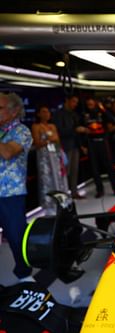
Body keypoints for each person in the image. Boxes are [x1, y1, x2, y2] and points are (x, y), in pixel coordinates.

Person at [0, 92, 34, 282]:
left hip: (10, 194)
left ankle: (24, 275)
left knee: (15, 236)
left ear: (13, 111)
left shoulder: (21, 131)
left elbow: (7, 152)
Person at [81, 97, 115, 198]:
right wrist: (83, 144)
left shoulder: (102, 113)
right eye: (88, 105)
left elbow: (113, 119)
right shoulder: (84, 115)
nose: (90, 106)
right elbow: (80, 129)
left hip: (103, 142)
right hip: (91, 143)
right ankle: (100, 190)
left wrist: (103, 109)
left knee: (109, 166)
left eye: (92, 104)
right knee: (95, 168)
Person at [31, 106, 69, 214]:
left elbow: (57, 140)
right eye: (43, 111)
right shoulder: (36, 126)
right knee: (47, 178)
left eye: (48, 111)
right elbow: (37, 143)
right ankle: (49, 204)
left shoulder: (52, 125)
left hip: (55, 155)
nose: (46, 114)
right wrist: (48, 140)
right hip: (44, 156)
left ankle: (62, 200)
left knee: (59, 177)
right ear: (38, 114)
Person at [52, 95, 86, 199]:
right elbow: (60, 131)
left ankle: (74, 192)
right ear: (67, 101)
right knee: (65, 171)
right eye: (73, 102)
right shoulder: (58, 114)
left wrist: (81, 145)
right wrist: (75, 130)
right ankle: (64, 193)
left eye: (76, 102)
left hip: (75, 145)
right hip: (64, 146)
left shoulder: (73, 114)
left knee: (74, 170)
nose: (75, 104)